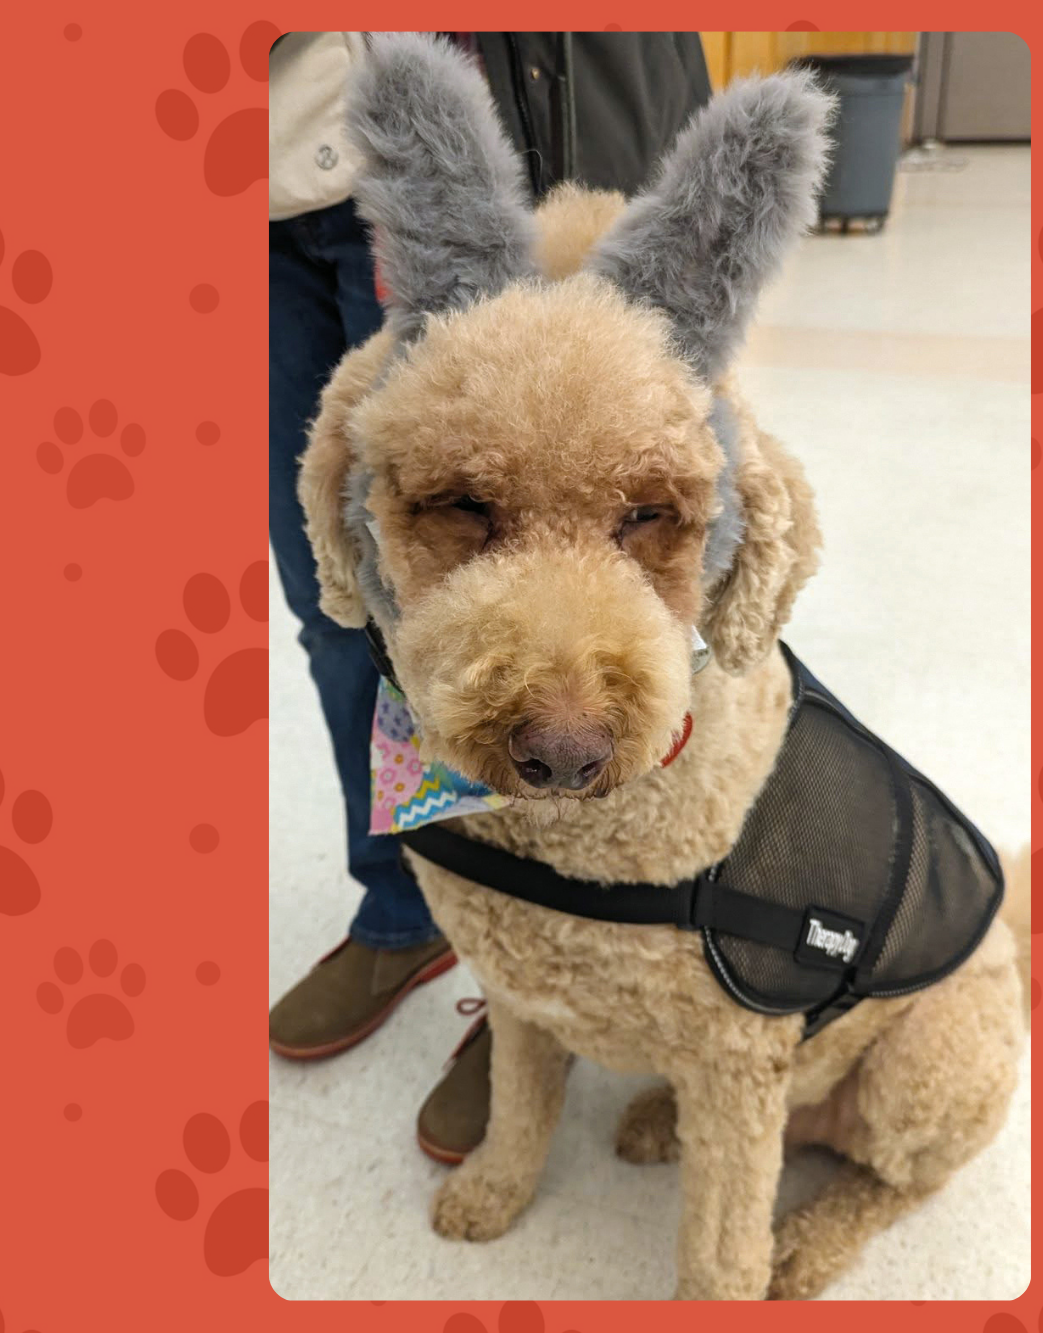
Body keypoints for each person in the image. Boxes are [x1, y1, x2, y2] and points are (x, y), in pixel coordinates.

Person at [266, 31, 713, 1165]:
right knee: (342, 604)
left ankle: (538, 948)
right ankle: (409, 908)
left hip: (479, 179)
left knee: (567, 586)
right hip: (266, 195)